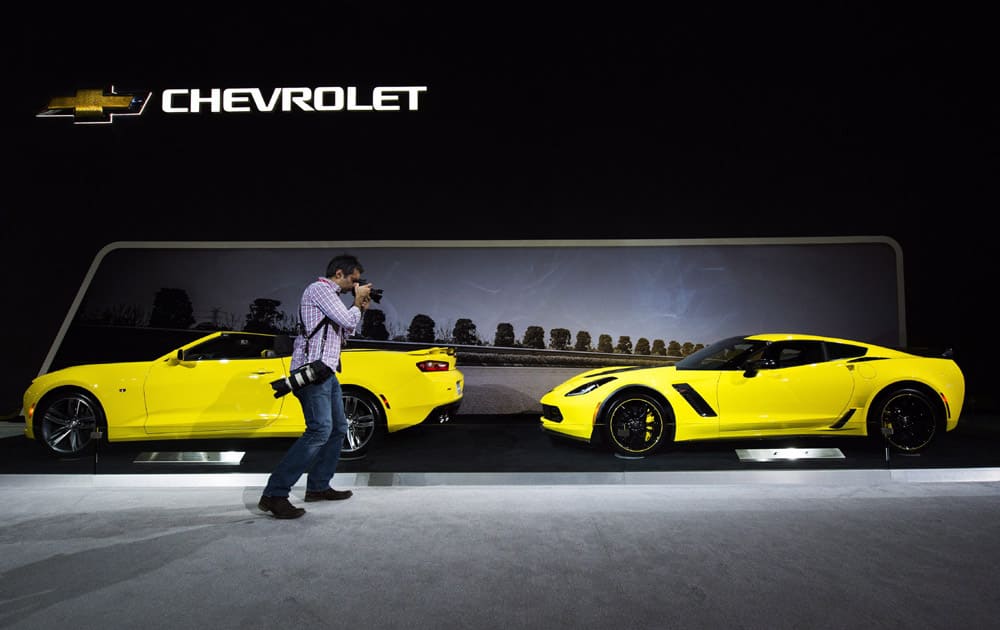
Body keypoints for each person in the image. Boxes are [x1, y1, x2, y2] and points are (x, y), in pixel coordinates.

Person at [258, 253, 372, 519]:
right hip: (311, 373)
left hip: (327, 372)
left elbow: (347, 331)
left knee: (338, 428)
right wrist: (356, 303)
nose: (354, 285)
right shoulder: (319, 289)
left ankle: (318, 487)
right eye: (353, 280)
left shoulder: (333, 299)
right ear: (340, 274)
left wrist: (360, 307)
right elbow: (347, 320)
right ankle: (274, 494)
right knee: (319, 429)